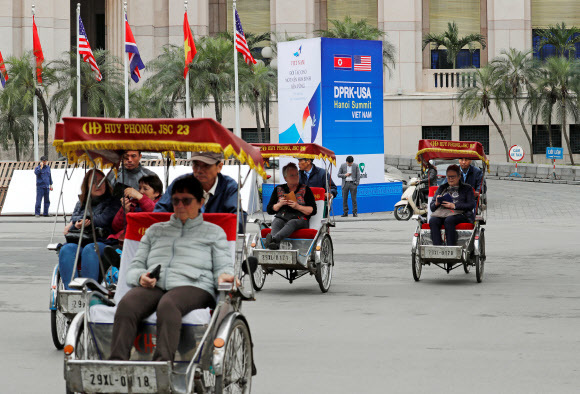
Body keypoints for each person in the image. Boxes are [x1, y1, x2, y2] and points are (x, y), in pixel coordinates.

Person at [109, 175, 235, 361]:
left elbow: (223, 264)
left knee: (168, 304)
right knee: (128, 304)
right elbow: (135, 266)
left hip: (195, 285)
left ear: (200, 202)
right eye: (176, 201)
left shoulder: (213, 232)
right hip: (156, 284)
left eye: (186, 201)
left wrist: (226, 276)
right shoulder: (155, 230)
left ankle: (162, 365)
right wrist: (140, 277)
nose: (180, 206)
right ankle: (117, 365)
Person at [58, 169, 120, 289]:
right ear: (86, 185)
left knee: (90, 249)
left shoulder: (113, 201)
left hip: (103, 240)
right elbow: (74, 218)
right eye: (93, 182)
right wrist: (77, 223)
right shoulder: (81, 201)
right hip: (80, 240)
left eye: (101, 181)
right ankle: (72, 291)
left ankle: (90, 290)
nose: (98, 185)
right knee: (66, 249)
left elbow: (103, 219)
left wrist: (81, 222)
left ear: (106, 183)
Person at [155, 151, 245, 232]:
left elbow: (238, 217)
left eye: (206, 165)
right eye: (196, 164)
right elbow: (159, 212)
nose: (199, 170)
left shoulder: (229, 187)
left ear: (219, 167)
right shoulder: (180, 184)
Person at [265, 163, 317, 250]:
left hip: (300, 219)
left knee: (292, 222)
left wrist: (297, 206)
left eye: (297, 174)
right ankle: (274, 245)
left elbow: (313, 210)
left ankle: (273, 240)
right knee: (276, 221)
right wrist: (279, 204)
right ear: (285, 178)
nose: (296, 177)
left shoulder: (305, 189)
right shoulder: (279, 189)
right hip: (283, 217)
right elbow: (270, 210)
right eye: (292, 175)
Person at [108, 174, 164, 244]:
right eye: (140, 188)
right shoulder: (133, 203)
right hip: (124, 239)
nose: (140, 191)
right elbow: (115, 227)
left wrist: (140, 197)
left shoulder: (162, 205)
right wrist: (125, 211)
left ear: (156, 193)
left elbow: (155, 213)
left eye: (145, 189)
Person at [429, 164, 475, 246]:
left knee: (449, 220)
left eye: (453, 177)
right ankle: (437, 246)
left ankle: (451, 247)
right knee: (433, 220)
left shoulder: (467, 188)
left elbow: (471, 205)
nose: (450, 179)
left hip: (460, 214)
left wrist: (454, 206)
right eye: (448, 177)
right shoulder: (442, 187)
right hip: (442, 213)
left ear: (459, 176)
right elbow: (432, 208)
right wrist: (436, 203)